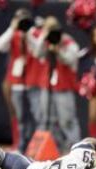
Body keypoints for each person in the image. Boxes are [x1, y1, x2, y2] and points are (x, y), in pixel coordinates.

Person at [27, 16, 81, 152]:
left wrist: (58, 51)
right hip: (47, 86)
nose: (50, 31)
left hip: (64, 87)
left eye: (52, 28)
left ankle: (73, 150)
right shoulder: (45, 41)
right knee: (49, 120)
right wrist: (43, 37)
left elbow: (70, 59)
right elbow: (37, 54)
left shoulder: (68, 42)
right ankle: (57, 148)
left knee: (67, 121)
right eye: (47, 28)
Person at [0, 8, 35, 153]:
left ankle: (29, 144)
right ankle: (18, 143)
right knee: (15, 112)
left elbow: (37, 51)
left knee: (31, 115)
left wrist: (29, 32)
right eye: (19, 19)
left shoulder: (32, 33)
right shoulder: (13, 34)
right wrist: (12, 28)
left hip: (31, 79)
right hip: (14, 78)